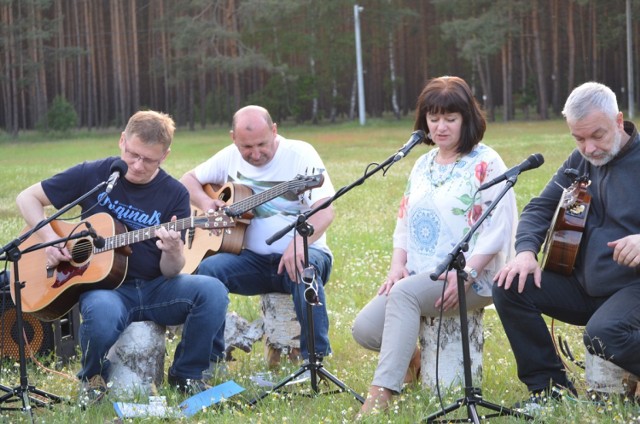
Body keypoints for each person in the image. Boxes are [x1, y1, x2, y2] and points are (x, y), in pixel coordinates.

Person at [16, 110, 229, 403]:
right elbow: (26, 198)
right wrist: (51, 241)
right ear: (122, 141)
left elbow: (171, 271)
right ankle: (92, 379)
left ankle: (186, 374)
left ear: (165, 156)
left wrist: (173, 251)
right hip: (106, 290)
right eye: (133, 154)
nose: (138, 166)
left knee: (212, 291)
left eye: (149, 160)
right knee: (101, 313)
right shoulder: (94, 174)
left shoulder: (175, 193)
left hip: (156, 288)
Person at [351, 76, 518, 415]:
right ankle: (412, 361)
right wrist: (397, 264)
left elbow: (499, 228)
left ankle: (380, 395)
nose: (440, 127)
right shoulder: (422, 164)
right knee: (365, 329)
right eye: (433, 118)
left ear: (467, 119)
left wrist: (468, 274)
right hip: (420, 274)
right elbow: (404, 220)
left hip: (474, 277)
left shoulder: (487, 162)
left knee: (405, 295)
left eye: (450, 118)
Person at [493, 81, 640, 408]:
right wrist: (526, 253)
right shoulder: (581, 161)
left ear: (618, 121)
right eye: (579, 138)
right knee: (509, 285)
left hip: (632, 288)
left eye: (597, 136)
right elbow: (539, 208)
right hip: (585, 287)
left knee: (603, 334)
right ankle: (550, 392)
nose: (588, 148)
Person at [180, 105, 336, 364]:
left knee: (304, 266)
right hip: (251, 261)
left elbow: (325, 212)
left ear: (274, 131)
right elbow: (188, 180)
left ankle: (315, 361)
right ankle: (210, 360)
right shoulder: (229, 156)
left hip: (306, 255)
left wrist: (299, 243)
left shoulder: (300, 154)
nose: (255, 154)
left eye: (262, 144)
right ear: (233, 138)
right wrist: (207, 205)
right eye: (246, 147)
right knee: (209, 271)